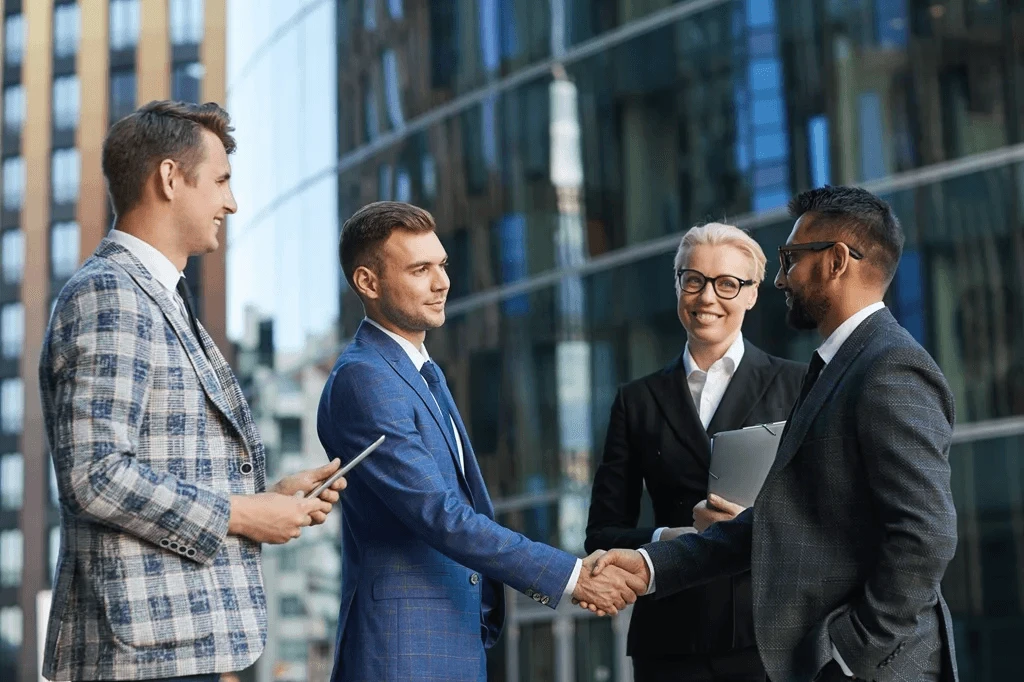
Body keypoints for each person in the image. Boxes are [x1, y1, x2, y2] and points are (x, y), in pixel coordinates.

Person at [588, 186, 959, 682]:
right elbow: (783, 519)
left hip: (872, 667)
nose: (781, 278)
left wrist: (850, 652)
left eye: (790, 259)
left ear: (836, 261)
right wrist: (653, 564)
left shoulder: (890, 368)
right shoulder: (837, 367)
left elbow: (925, 536)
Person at [39, 101, 348, 682]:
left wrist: (270, 497)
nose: (231, 202)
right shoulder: (111, 294)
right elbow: (96, 473)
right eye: (222, 181)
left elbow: (160, 462)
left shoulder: (161, 298)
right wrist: (242, 512)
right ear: (169, 179)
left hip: (173, 648)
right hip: (140, 654)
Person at [318, 201, 646, 682]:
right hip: (403, 651)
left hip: (449, 640)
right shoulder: (365, 379)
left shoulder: (420, 372)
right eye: (420, 269)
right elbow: (441, 515)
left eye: (443, 264)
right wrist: (571, 577)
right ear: (368, 282)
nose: (442, 282)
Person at [586, 222, 805, 682]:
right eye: (694, 280)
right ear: (678, 287)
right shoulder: (637, 400)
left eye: (727, 284)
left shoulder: (799, 385)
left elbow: (829, 514)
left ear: (752, 294)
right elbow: (602, 535)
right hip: (670, 642)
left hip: (769, 637)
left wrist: (753, 524)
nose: (707, 298)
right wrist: (678, 534)